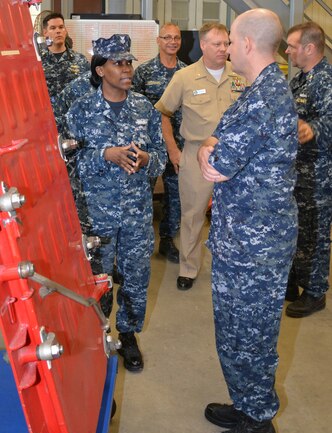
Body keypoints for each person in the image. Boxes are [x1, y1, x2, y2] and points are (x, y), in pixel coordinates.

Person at [197, 9, 298, 433]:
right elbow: (220, 141)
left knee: (250, 335)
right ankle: (246, 404)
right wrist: (211, 146)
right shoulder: (260, 90)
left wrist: (206, 152)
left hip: (256, 247)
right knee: (236, 332)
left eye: (233, 41)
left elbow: (217, 162)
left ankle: (258, 423)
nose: (229, 48)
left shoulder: (265, 97)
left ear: (249, 45)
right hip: (243, 239)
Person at [66, 34, 166, 372]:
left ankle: (127, 335)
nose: (127, 69)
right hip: (97, 216)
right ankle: (97, 334)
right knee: (98, 279)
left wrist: (147, 159)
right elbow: (68, 162)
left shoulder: (144, 108)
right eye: (118, 63)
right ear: (100, 69)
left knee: (136, 277)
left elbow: (162, 158)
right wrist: (104, 155)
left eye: (129, 62)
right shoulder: (81, 111)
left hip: (137, 214)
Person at [155, 23, 245, 290]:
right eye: (217, 44)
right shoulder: (184, 77)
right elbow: (163, 113)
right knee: (192, 215)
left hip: (235, 157)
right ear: (203, 45)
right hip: (195, 155)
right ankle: (188, 268)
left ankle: (232, 269)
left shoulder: (241, 76)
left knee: (236, 217)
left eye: (226, 43)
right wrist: (174, 150)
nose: (223, 49)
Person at [284, 21, 332, 318]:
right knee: (298, 229)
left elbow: (328, 123)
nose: (287, 51)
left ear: (310, 48)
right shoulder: (301, 80)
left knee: (315, 234)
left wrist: (309, 128)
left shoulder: (327, 80)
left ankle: (315, 292)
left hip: (318, 174)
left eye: (292, 46)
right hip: (297, 171)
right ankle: (295, 281)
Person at [132, 23, 187, 264]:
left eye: (176, 38)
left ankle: (167, 241)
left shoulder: (187, 72)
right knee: (143, 195)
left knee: (175, 197)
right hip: (151, 146)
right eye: (167, 37)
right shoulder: (143, 72)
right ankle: (140, 243)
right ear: (158, 40)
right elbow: (132, 107)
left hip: (178, 146)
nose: (172, 42)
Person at [40, 12, 90, 106]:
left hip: (72, 116)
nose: (58, 31)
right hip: (46, 115)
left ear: (65, 31)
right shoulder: (37, 61)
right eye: (53, 28)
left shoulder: (80, 60)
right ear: (45, 32)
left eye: (61, 27)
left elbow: (89, 89)